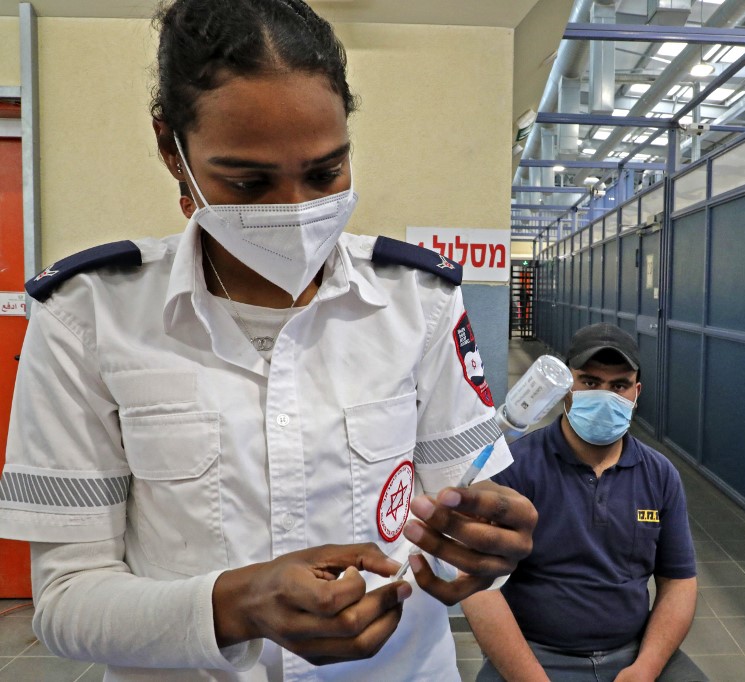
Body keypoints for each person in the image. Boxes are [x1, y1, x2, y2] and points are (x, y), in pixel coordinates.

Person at [0, 1, 536, 680]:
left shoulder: (418, 302)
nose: (292, 210)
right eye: (248, 182)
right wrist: (237, 604)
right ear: (174, 152)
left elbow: (461, 513)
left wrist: (486, 548)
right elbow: (67, 602)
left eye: (324, 173)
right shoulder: (91, 316)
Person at [462, 323, 706, 682]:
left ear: (636, 393)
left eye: (619, 385)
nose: (605, 395)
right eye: (590, 382)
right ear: (566, 387)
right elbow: (477, 586)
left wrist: (645, 668)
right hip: (534, 655)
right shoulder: (515, 467)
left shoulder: (659, 475)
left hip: (632, 653)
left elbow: (679, 582)